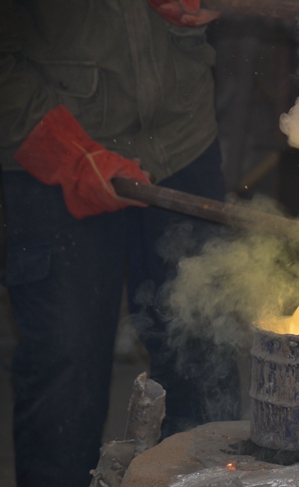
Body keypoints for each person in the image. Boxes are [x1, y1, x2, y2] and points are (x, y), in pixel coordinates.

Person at [0, 1, 241, 486]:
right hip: (53, 139)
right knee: (66, 372)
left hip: (180, 134)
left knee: (203, 354)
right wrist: (67, 154)